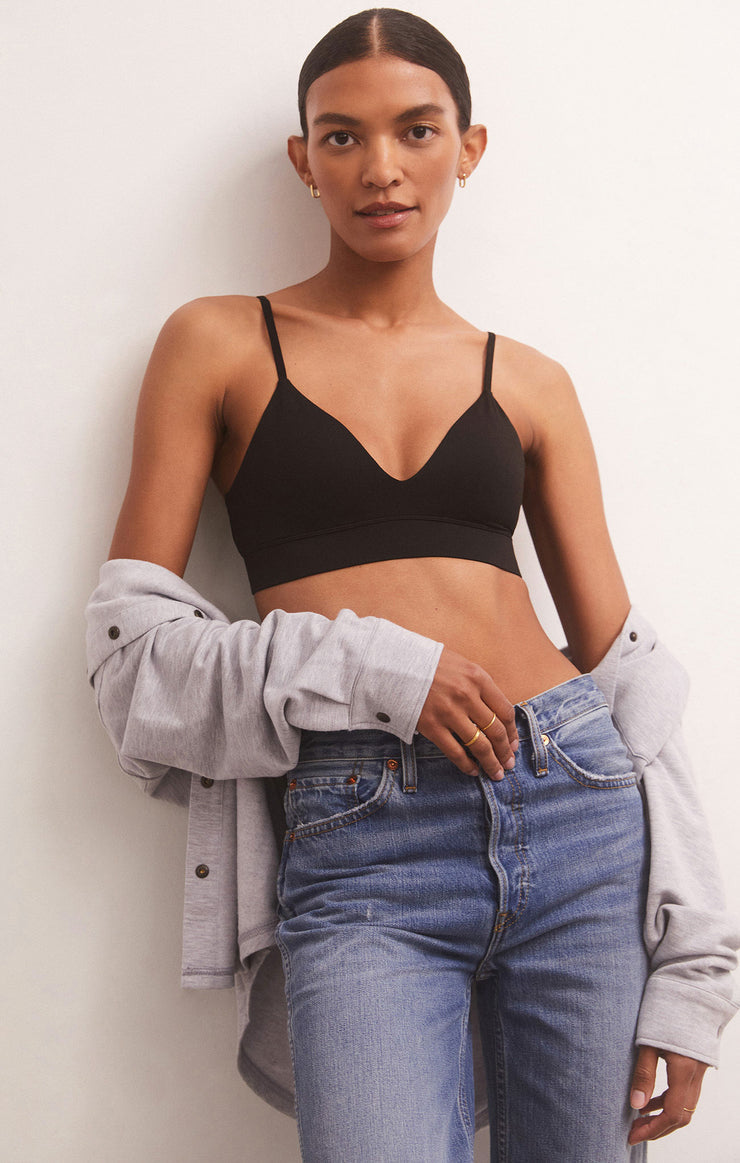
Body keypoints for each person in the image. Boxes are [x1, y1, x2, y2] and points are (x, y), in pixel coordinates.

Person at [87, 9, 738, 1161]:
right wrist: (377, 666)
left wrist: (696, 967)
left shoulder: (528, 380)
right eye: (341, 136)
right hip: (363, 836)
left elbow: (628, 680)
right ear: (304, 160)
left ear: (467, 148)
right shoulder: (219, 342)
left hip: (577, 808)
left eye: (415, 130)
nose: (378, 167)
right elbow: (131, 658)